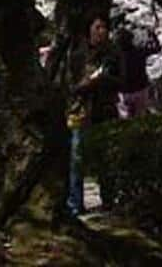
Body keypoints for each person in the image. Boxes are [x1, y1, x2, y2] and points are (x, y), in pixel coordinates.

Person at [66, 17, 121, 217]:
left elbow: (121, 81)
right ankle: (75, 202)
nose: (101, 31)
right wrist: (82, 86)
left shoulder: (113, 54)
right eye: (97, 27)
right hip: (81, 110)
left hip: (104, 109)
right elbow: (69, 83)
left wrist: (104, 79)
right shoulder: (77, 54)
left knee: (105, 156)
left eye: (104, 27)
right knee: (76, 157)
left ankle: (108, 198)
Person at [116, 27, 153, 119]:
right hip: (140, 89)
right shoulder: (139, 51)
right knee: (140, 118)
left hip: (124, 91)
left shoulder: (116, 55)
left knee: (125, 120)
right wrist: (152, 36)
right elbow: (156, 48)